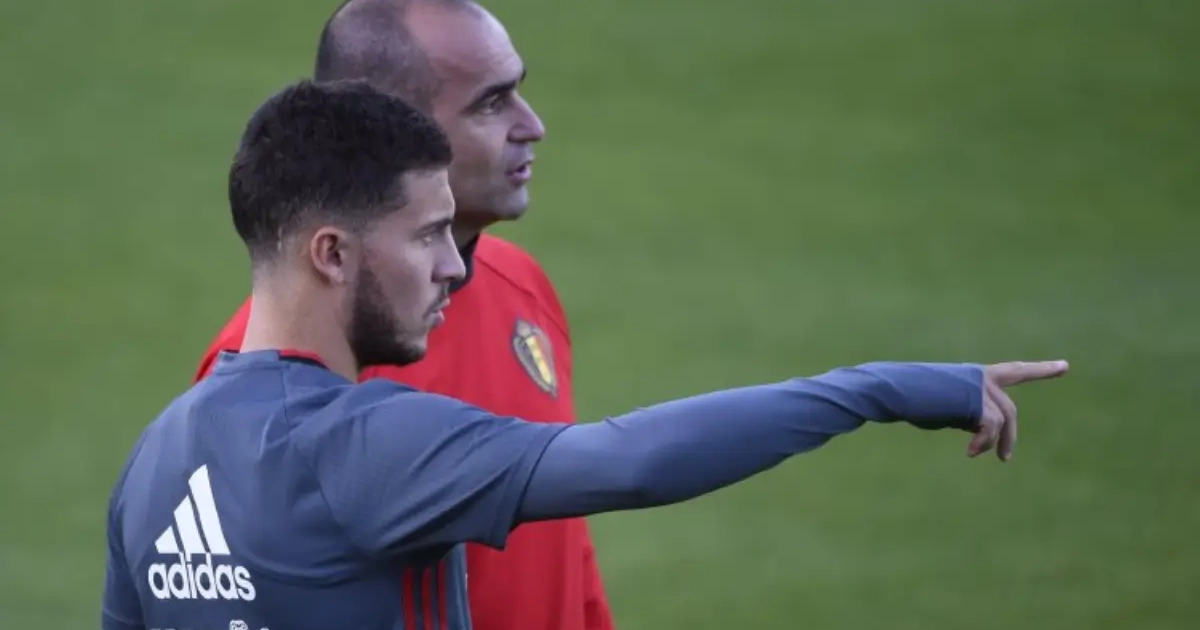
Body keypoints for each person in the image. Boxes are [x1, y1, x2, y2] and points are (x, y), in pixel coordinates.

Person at [102, 78, 1068, 630]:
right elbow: (632, 461)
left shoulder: (151, 468)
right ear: (332, 253)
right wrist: (880, 390)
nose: (454, 266)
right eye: (428, 235)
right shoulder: (358, 446)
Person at [192, 2, 612, 628]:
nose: (532, 125)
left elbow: (566, 553)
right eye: (491, 104)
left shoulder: (522, 287)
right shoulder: (265, 373)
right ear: (394, 128)